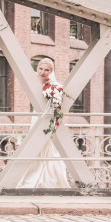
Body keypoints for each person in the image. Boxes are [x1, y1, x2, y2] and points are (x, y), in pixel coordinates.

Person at [16, 58, 70, 188]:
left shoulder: (53, 85)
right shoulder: (32, 78)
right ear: (37, 68)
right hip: (36, 117)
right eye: (41, 68)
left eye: (47, 70)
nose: (43, 72)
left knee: (47, 146)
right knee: (33, 145)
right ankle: (28, 177)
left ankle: (49, 179)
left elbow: (56, 104)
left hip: (46, 118)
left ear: (51, 71)